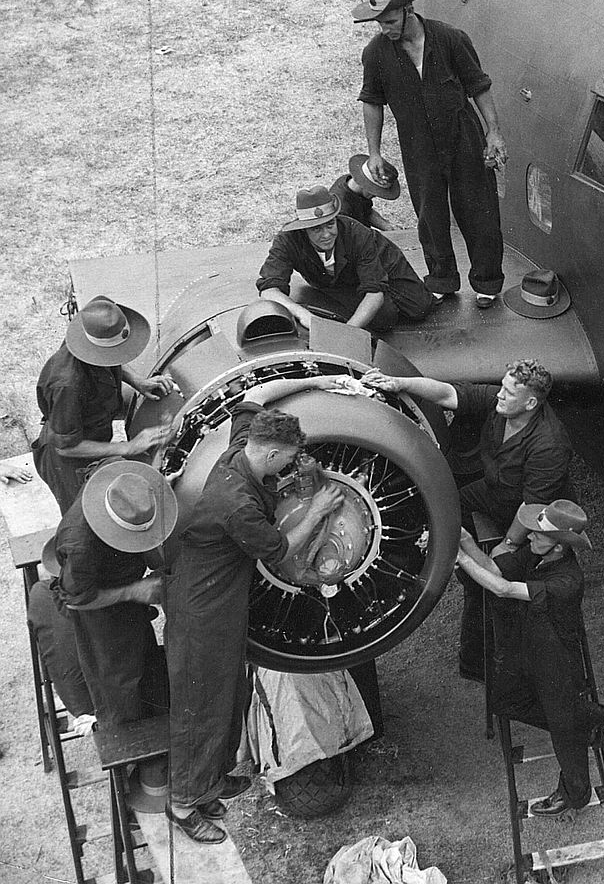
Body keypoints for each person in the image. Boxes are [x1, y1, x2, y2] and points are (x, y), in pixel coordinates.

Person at [163, 376, 349, 843]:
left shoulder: (243, 446)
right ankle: (183, 803)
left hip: (221, 598)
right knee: (200, 706)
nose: (290, 466)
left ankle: (209, 781)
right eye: (288, 459)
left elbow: (255, 396)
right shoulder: (237, 503)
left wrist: (321, 380)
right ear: (270, 454)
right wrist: (318, 508)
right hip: (203, 608)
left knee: (227, 696)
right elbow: (282, 551)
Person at [361, 359, 572, 680]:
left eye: (508, 392)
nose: (499, 394)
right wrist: (399, 383)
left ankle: (484, 662)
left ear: (530, 403)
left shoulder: (549, 444)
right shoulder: (502, 404)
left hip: (528, 519)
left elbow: (532, 506)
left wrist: (508, 543)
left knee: (496, 577)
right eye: (502, 386)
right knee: (443, 508)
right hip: (494, 491)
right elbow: (447, 394)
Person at [355, 0, 510, 308]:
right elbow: (372, 102)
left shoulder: (450, 38)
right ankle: (441, 280)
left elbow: (479, 86)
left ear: (409, 9)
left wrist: (493, 132)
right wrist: (374, 152)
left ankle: (487, 282)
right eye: (379, 23)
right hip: (417, 143)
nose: (384, 29)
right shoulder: (376, 54)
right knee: (429, 213)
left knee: (479, 210)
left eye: (390, 21)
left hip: (462, 134)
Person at [455, 500, 604, 816]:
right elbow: (495, 569)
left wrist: (459, 558)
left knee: (565, 733)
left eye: (539, 535)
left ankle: (575, 794)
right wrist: (462, 539)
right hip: (532, 647)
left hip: (558, 661)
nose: (529, 537)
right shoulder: (540, 553)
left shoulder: (567, 581)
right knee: (506, 702)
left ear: (558, 546)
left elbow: (503, 588)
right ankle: (584, 718)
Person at [56, 461, 176, 731]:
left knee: (145, 661)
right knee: (119, 682)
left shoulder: (119, 477)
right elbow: (76, 599)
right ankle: (126, 740)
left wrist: (158, 496)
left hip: (123, 582)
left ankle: (155, 713)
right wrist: (133, 591)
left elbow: (137, 497)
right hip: (97, 606)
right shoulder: (80, 546)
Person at [33, 296, 175, 512]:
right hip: (68, 460)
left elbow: (112, 355)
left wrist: (138, 381)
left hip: (90, 431)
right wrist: (128, 447)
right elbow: (66, 447)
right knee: (88, 514)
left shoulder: (89, 337)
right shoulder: (67, 385)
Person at [256, 185, 433, 332]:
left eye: (330, 224)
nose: (326, 235)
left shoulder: (357, 234)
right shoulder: (287, 239)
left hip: (384, 261)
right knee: (384, 319)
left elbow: (374, 293)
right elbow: (269, 289)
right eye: (316, 229)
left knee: (420, 307)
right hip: (344, 279)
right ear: (303, 228)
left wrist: (347, 333)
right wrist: (303, 315)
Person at [332, 153, 400, 231]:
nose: (375, 196)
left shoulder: (350, 183)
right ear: (364, 185)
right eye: (374, 192)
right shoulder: (341, 209)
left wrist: (388, 227)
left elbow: (367, 211)